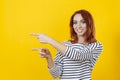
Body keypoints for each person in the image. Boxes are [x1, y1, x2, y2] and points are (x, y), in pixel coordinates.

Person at [31, 9, 103, 80]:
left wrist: (49, 40)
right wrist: (49, 57)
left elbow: (78, 55)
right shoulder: (64, 45)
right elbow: (56, 74)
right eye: (75, 22)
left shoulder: (96, 46)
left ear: (89, 23)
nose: (78, 26)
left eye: (83, 22)